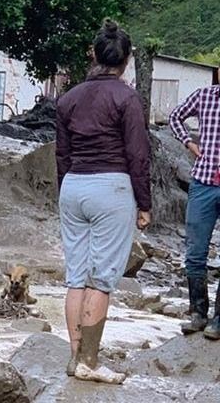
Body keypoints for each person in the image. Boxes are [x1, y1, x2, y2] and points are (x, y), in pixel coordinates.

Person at [56, 19, 151, 384]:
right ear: (125, 61)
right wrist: (144, 203)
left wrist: (66, 194)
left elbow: (62, 156)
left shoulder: (68, 98)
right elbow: (138, 156)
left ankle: (74, 356)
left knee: (76, 278)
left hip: (74, 187)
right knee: (101, 281)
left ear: (93, 54)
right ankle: (90, 362)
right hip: (112, 187)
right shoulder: (127, 98)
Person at [168, 82, 220, 339]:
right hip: (203, 183)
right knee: (195, 252)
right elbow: (175, 116)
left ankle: (219, 320)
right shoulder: (204, 96)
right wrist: (189, 143)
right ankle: (198, 313)